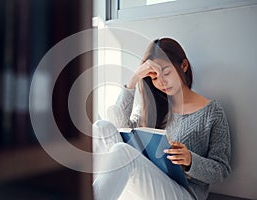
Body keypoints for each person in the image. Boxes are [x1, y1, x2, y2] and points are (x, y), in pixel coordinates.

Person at [92, 38, 231, 200]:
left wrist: (190, 161)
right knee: (102, 127)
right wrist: (133, 80)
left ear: (184, 66)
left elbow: (221, 169)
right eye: (155, 77)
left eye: (166, 73)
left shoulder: (212, 112)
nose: (162, 81)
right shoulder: (154, 108)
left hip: (184, 194)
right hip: (146, 186)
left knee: (122, 152)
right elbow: (118, 129)